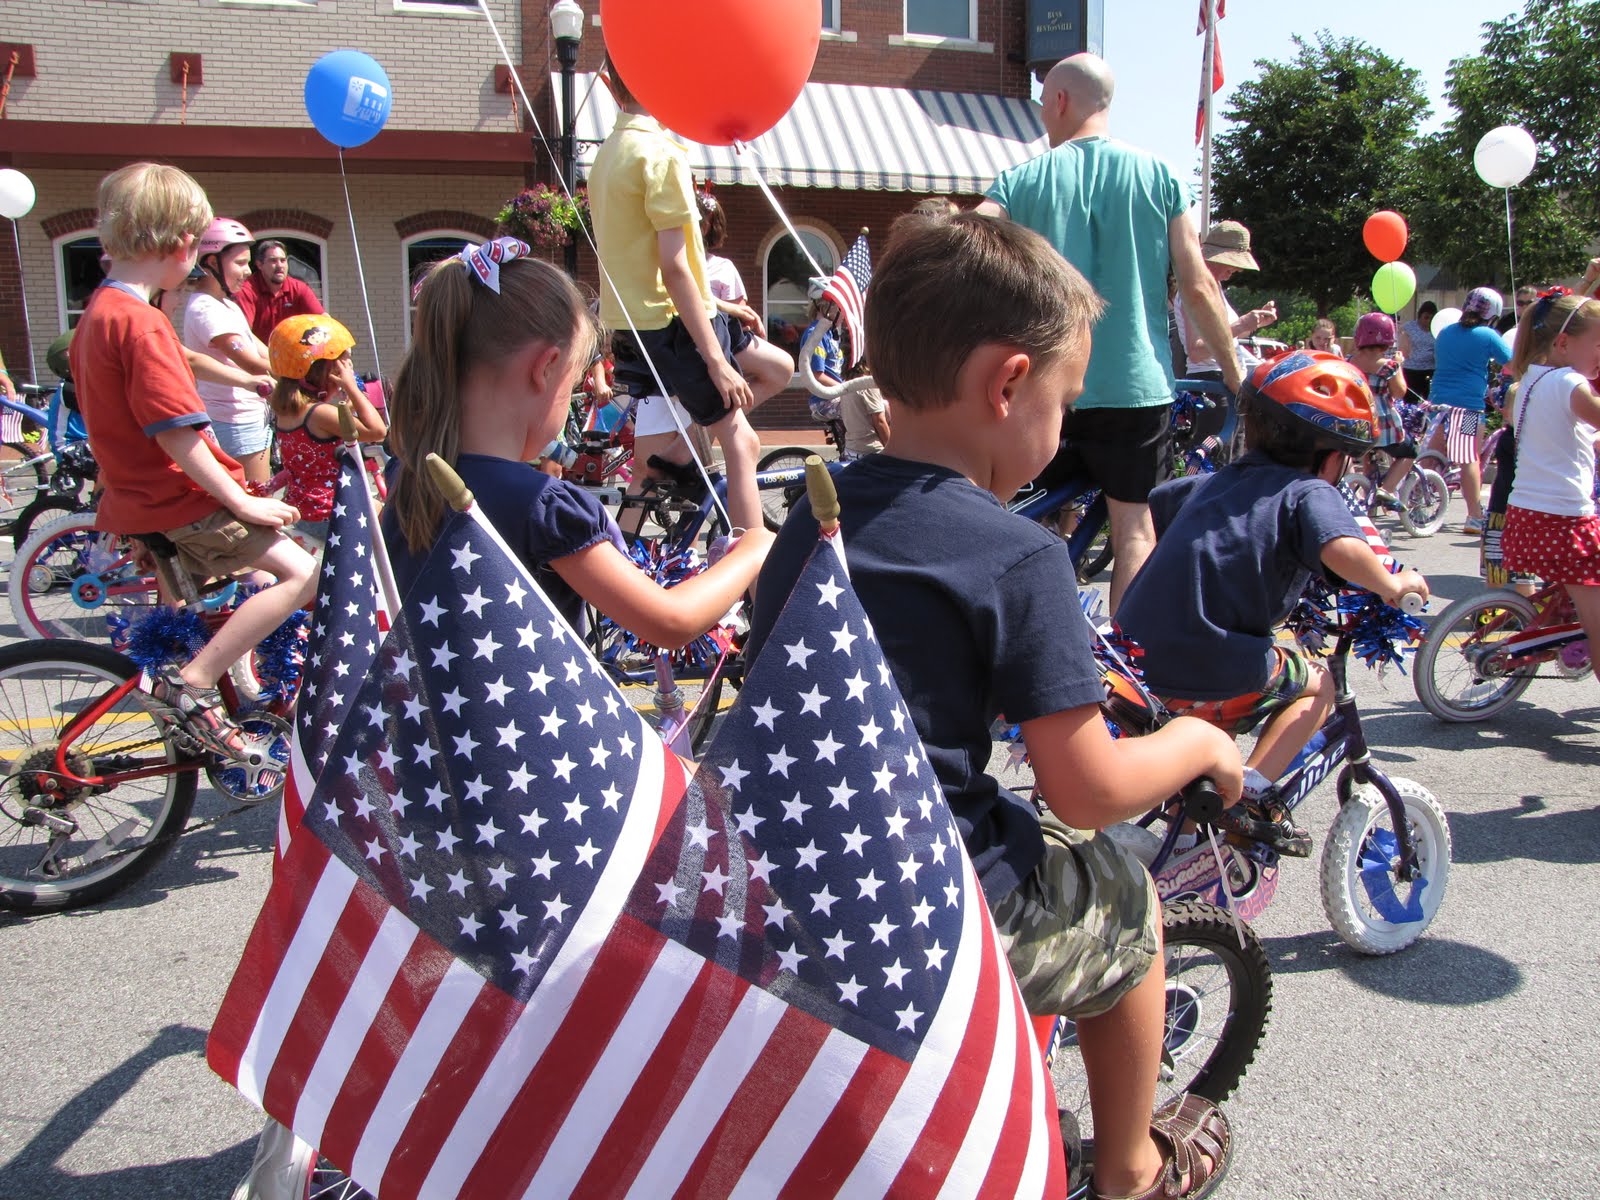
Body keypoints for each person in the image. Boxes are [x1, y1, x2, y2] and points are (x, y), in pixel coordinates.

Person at [749, 212, 1243, 1200]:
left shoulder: (815, 512)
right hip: (922, 901)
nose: (1062, 428)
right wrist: (1194, 740)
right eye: (1063, 400)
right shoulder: (1019, 554)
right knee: (1126, 906)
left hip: (778, 874)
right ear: (1008, 384)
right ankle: (1132, 1165)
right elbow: (1089, 785)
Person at [383, 238, 772, 648]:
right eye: (572, 385)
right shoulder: (542, 507)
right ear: (546, 368)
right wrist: (751, 549)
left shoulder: (404, 476)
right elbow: (670, 621)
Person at [1118, 351, 1428, 851]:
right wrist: (1394, 584)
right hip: (1208, 664)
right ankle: (1252, 792)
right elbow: (1342, 548)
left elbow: (1165, 509)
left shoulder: (1210, 483)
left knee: (1191, 771)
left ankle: (1185, 853)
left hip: (1132, 661)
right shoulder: (1308, 490)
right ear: (1332, 458)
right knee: (1317, 685)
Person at [977, 52, 1243, 615]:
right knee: (1134, 530)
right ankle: (1127, 674)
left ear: (1060, 101)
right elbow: (1197, 286)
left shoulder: (1022, 180)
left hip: (1043, 384)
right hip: (1134, 387)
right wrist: (1236, 372)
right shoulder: (1160, 175)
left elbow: (965, 243)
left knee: (1002, 515)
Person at [69, 163, 315, 756]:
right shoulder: (143, 323)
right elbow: (175, 435)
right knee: (303, 574)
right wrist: (238, 498)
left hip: (139, 499)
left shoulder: (99, 314)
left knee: (213, 598)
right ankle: (198, 683)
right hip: (181, 497)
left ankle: (216, 696)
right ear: (182, 244)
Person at [590, 58, 789, 534]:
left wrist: (721, 304)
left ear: (608, 86)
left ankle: (634, 553)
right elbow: (673, 267)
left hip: (643, 326)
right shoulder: (661, 155)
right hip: (676, 327)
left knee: (778, 368)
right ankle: (751, 565)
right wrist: (716, 361)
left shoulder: (607, 155)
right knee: (741, 443)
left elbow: (642, 263)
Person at [1500, 291, 1600, 678]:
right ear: (1563, 343)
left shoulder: (1532, 381)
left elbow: (1562, 436)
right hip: (1565, 524)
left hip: (1526, 519)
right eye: (1597, 344)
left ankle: (1568, 630)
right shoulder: (1569, 381)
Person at [265, 313, 387, 547]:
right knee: (394, 522)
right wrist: (351, 385)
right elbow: (377, 430)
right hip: (332, 513)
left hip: (304, 510)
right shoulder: (319, 414)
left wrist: (350, 399)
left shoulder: (289, 413)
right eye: (342, 365)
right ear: (324, 372)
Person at [182, 218, 275, 482]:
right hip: (235, 422)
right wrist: (301, 375)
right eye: (241, 263)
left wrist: (297, 363)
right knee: (256, 497)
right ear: (212, 262)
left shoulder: (226, 305)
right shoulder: (205, 308)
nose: (248, 272)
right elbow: (249, 362)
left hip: (249, 415)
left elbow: (260, 349)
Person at [1173, 219, 1277, 448]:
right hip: (1212, 387)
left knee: (1232, 462)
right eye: (1233, 262)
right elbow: (1197, 350)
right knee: (1215, 468)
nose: (1238, 269)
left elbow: (1225, 339)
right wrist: (1242, 324)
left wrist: (1253, 323)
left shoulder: (1213, 288)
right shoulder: (1194, 291)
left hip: (1225, 386)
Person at [1425, 286, 1513, 533]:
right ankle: (1474, 515)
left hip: (1438, 404)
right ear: (1493, 312)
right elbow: (1514, 364)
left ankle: (1417, 501)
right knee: (1468, 459)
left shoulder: (1445, 333)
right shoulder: (1488, 335)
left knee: (1433, 456)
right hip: (1469, 408)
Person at [1348, 312, 1416, 507]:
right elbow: (1400, 392)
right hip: (1382, 425)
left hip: (1356, 421)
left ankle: (1369, 497)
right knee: (1409, 452)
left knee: (1370, 456)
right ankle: (1386, 490)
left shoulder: (1349, 362)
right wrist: (1399, 366)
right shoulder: (1388, 366)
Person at [237, 239, 325, 345]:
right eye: (273, 261)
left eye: (283, 260)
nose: (280, 266)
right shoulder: (247, 290)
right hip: (260, 354)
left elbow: (324, 321)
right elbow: (244, 334)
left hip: (293, 353)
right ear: (259, 264)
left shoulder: (299, 288)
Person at [838, 361, 889, 459]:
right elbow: (879, 421)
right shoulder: (867, 384)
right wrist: (893, 452)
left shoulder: (846, 383)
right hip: (871, 451)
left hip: (851, 450)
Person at [1398, 301, 1437, 398]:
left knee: (1429, 400)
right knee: (1410, 399)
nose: (1428, 321)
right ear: (1420, 316)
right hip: (1411, 369)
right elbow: (1402, 346)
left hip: (1429, 369)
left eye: (1431, 318)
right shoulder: (1409, 327)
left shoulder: (1437, 329)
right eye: (1426, 317)